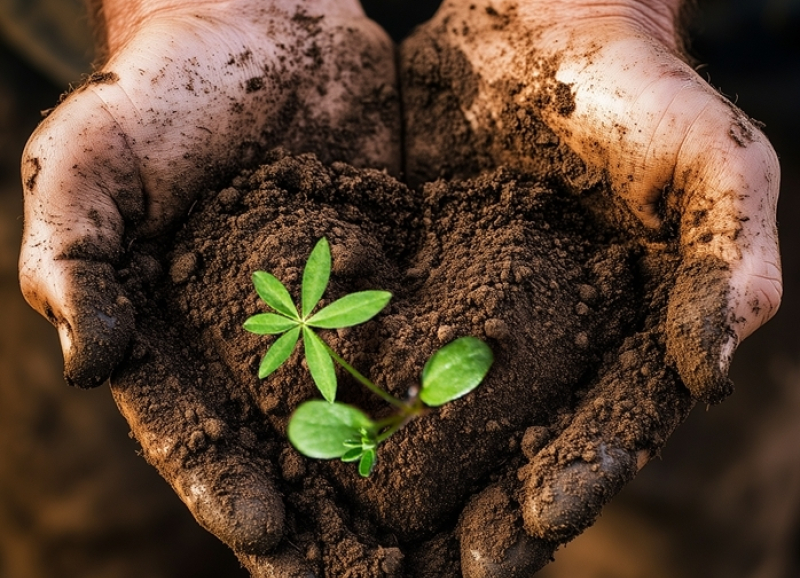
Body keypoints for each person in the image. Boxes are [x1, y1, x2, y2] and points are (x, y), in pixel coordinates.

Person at [17, 0, 781, 576]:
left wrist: (604, 9)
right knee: (93, 519)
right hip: (126, 103)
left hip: (704, 74)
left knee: (682, 527)